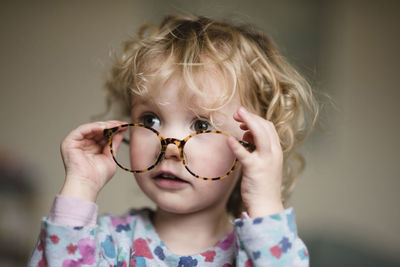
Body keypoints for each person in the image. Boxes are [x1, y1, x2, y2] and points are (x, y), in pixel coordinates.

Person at [29, 14, 317, 266]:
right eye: (150, 120)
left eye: (202, 125)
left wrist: (266, 204)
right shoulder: (106, 242)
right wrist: (80, 187)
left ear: (251, 146)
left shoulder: (257, 252)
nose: (168, 145)